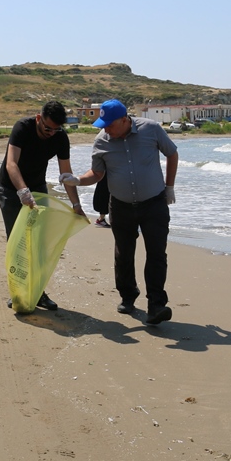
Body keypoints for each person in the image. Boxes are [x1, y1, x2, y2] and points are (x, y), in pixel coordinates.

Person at [60, 99, 178, 325]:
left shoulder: (151, 129)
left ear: (125, 120)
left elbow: (172, 154)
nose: (105, 129)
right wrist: (77, 180)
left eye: (109, 124)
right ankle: (127, 296)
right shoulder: (101, 141)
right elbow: (96, 173)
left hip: (154, 203)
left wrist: (169, 186)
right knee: (123, 253)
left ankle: (156, 304)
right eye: (102, 125)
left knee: (156, 253)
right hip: (121, 205)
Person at [0, 101, 84, 311]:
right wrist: (22, 191)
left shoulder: (60, 137)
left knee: (38, 244)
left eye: (56, 129)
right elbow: (11, 163)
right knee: (17, 242)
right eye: (47, 128)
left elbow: (66, 174)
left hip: (37, 187)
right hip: (11, 188)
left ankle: (38, 293)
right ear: (39, 118)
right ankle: (18, 293)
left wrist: (75, 203)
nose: (51, 133)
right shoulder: (23, 128)